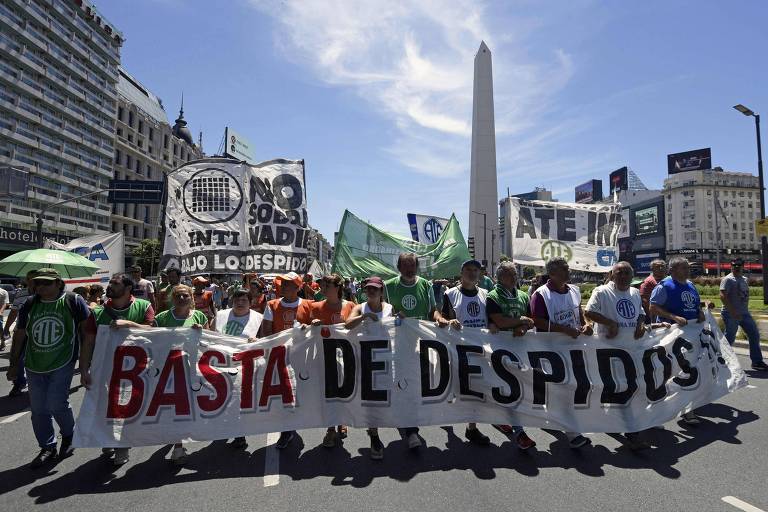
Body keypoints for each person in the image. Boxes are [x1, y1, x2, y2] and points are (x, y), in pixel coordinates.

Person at [6, 268, 95, 468]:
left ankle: (69, 436)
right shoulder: (30, 304)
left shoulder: (73, 301)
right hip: (34, 363)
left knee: (57, 403)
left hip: (63, 361)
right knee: (38, 410)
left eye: (46, 283)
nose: (41, 287)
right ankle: (47, 447)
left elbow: (87, 331)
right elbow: (20, 334)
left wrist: (85, 363)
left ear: (58, 283)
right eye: (37, 283)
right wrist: (13, 365)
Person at [585, 261, 670, 451]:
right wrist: (610, 323)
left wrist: (641, 325)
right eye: (619, 273)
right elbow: (588, 311)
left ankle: (627, 429)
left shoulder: (633, 293)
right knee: (619, 390)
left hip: (631, 351)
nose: (623, 276)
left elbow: (640, 313)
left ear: (632, 276)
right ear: (612, 274)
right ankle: (629, 432)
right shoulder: (601, 292)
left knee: (629, 388)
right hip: (608, 351)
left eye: (626, 273)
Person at [88, 273, 155, 465]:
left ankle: (122, 445)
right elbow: (88, 342)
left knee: (125, 408)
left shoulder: (143, 306)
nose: (109, 286)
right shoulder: (98, 312)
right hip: (104, 369)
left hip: (135, 371)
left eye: (115, 284)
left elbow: (154, 330)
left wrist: (129, 324)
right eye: (110, 283)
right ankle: (108, 437)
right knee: (105, 406)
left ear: (127, 289)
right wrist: (85, 369)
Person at [530, 257, 593, 449]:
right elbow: (537, 321)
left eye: (567, 268)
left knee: (574, 386)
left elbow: (578, 313)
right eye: (564, 269)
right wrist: (564, 330)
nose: (569, 272)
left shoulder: (573, 290)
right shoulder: (541, 294)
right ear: (552, 273)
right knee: (564, 388)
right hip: (551, 350)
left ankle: (553, 418)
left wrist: (586, 325)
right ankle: (573, 433)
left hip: (574, 347)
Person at [433, 259, 492, 445]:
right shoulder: (451, 294)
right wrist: (448, 321)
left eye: (476, 270)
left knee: (475, 391)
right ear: (461, 273)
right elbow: (441, 316)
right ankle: (446, 418)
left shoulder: (485, 294)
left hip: (480, 350)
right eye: (468, 270)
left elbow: (490, 319)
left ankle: (471, 428)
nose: (473, 273)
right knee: (455, 388)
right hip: (458, 350)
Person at [383, 253, 437, 450]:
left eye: (412, 265)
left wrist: (440, 318)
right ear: (398, 267)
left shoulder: (426, 285)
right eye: (405, 265)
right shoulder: (388, 287)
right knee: (404, 384)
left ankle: (408, 420)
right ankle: (411, 430)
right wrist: (395, 318)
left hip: (421, 344)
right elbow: (382, 314)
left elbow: (433, 311)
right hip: (398, 346)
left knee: (418, 385)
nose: (409, 269)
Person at [153, 284, 208, 465]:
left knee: (188, 406)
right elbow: (151, 341)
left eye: (185, 296)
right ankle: (177, 444)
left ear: (192, 298)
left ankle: (179, 441)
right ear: (172, 298)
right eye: (178, 296)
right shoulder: (161, 318)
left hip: (192, 369)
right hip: (169, 370)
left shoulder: (199, 317)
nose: (182, 299)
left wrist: (202, 333)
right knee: (174, 408)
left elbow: (209, 342)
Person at [485, 261, 536, 450]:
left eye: (515, 274)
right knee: (510, 390)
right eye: (509, 274)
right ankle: (520, 432)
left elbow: (530, 320)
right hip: (498, 351)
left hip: (520, 350)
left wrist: (523, 325)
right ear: (499, 277)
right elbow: (499, 321)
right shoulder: (493, 296)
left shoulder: (523, 295)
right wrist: (519, 321)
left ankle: (500, 418)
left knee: (513, 390)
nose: (514, 278)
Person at [649, 257, 706, 424]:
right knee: (675, 371)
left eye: (688, 267)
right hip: (672, 338)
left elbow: (695, 304)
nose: (687, 270)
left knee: (689, 369)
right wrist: (673, 317)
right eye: (683, 268)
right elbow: (653, 307)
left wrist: (700, 311)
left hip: (691, 336)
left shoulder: (690, 285)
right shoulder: (664, 286)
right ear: (672, 270)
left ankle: (687, 406)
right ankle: (671, 404)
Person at [261, 272, 313, 449]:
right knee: (283, 394)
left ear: (298, 287)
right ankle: (287, 430)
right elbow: (266, 331)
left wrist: (309, 328)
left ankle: (293, 424)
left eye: (288, 284)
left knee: (299, 394)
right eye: (282, 283)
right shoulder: (272, 305)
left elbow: (316, 329)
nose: (283, 286)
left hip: (301, 358)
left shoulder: (309, 305)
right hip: (279, 357)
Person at [344, 276, 393, 459]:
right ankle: (373, 434)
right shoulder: (359, 307)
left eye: (375, 289)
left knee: (382, 397)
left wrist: (401, 320)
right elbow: (347, 325)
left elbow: (396, 328)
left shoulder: (389, 308)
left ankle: (377, 430)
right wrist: (364, 317)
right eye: (368, 288)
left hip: (385, 359)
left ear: (381, 292)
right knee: (367, 397)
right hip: (363, 358)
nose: (371, 291)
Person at [309, 274, 356, 449]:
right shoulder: (315, 307)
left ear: (337, 288)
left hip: (346, 356)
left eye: (327, 285)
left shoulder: (350, 306)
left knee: (343, 391)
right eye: (323, 285)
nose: (323, 288)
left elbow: (358, 328)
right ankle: (330, 428)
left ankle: (341, 420)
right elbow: (304, 331)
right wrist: (312, 325)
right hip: (323, 357)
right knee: (328, 392)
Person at [213, 288, 264, 449]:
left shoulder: (258, 319)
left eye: (244, 300)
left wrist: (257, 340)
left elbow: (265, 339)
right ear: (232, 301)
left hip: (245, 365)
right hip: (222, 364)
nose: (240, 303)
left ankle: (239, 433)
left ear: (251, 303)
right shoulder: (221, 316)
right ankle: (228, 428)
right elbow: (209, 334)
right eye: (237, 300)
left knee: (239, 400)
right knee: (223, 399)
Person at [720, 258, 767, 371]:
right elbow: (722, 295)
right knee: (730, 337)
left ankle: (757, 361)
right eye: (734, 265)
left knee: (754, 334)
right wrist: (733, 312)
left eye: (739, 265)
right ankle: (720, 360)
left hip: (744, 313)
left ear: (743, 266)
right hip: (731, 313)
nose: (736, 267)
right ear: (730, 266)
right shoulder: (728, 279)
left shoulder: (744, 279)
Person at [3, 270, 37, 396]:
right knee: (17, 358)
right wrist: (6, 328)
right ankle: (19, 383)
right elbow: (13, 312)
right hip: (21, 332)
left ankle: (37, 384)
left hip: (38, 333)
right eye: (29, 279)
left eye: (35, 279)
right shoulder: (21, 294)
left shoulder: (45, 295)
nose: (31, 282)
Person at [0, 284, 8, 350]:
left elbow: (5, 303)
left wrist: (1, 311)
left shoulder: (3, 292)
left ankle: (2, 342)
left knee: (0, 328)